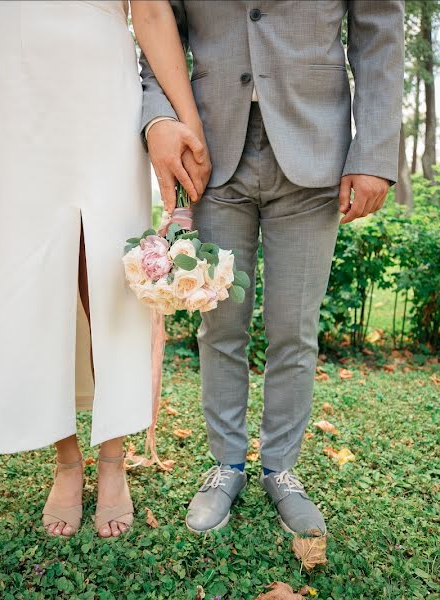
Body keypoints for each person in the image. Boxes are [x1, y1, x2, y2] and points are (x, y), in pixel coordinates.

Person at [0, 0, 207, 539]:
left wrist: (188, 121)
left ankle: (112, 457)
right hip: (4, 86)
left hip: (102, 80)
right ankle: (65, 457)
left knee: (106, 267)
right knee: (28, 270)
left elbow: (150, 13)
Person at [141, 1, 404, 535]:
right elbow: (154, 28)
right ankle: (226, 466)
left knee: (294, 330)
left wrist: (375, 151)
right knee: (220, 327)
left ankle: (281, 469)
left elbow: (379, 29)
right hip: (209, 151)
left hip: (316, 147)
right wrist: (157, 118)